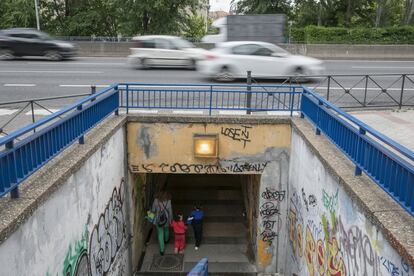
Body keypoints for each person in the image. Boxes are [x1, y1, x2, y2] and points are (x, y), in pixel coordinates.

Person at [151, 191, 173, 256]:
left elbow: (153, 210)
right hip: (166, 219)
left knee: (160, 234)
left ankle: (162, 250)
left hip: (158, 220)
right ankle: (166, 240)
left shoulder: (155, 201)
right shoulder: (168, 201)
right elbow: (170, 212)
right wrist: (171, 219)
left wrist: (152, 217)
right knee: (166, 229)